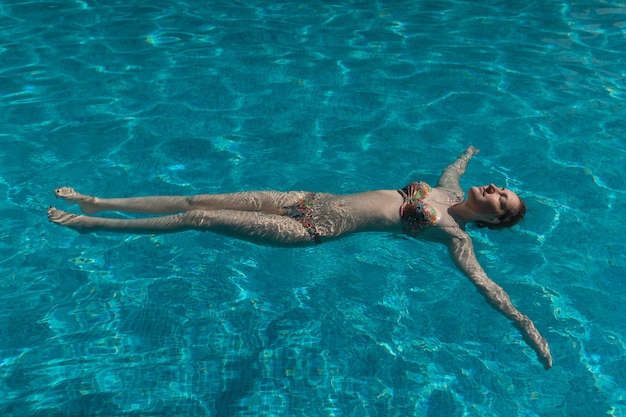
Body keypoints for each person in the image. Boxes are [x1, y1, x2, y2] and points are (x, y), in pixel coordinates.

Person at [48, 146, 552, 369]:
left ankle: (94, 225)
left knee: (198, 220)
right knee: (194, 200)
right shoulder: (448, 192)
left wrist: (525, 324)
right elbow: (449, 169)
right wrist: (467, 154)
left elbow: (486, 286)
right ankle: (99, 200)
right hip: (307, 198)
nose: (497, 190)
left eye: (502, 200)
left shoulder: (456, 236)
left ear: (491, 221)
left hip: (309, 227)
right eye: (502, 188)